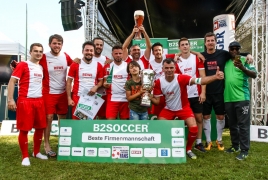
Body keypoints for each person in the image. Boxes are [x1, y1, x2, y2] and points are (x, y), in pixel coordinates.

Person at [150, 58, 224, 159]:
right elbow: (157, 102)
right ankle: (166, 148)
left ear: (175, 68)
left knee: (193, 128)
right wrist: (149, 96)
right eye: (166, 68)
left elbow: (200, 80)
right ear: (162, 69)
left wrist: (215, 77)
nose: (169, 70)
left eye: (171, 67)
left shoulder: (181, 78)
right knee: (160, 127)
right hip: (168, 109)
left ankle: (188, 149)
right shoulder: (158, 82)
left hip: (183, 108)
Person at [7, 43, 48, 166]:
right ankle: (25, 156)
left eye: (40, 51)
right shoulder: (23, 65)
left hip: (39, 100)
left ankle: (36, 152)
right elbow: (12, 81)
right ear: (30, 52)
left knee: (40, 127)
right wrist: (10, 99)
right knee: (24, 129)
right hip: (26, 100)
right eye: (35, 51)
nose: (38, 53)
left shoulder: (41, 67)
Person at [224, 41, 256, 160]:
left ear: (239, 50)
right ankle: (235, 146)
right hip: (228, 98)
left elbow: (254, 74)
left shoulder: (245, 61)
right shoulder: (226, 62)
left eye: (237, 49)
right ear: (229, 50)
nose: (234, 51)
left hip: (242, 98)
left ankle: (244, 150)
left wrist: (242, 67)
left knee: (243, 125)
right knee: (232, 125)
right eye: (232, 48)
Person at [175, 37, 206, 152]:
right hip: (183, 96)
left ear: (189, 46)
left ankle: (198, 142)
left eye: (186, 44)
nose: (184, 46)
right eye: (182, 45)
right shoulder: (176, 60)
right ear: (179, 47)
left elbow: (203, 77)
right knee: (182, 120)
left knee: (199, 117)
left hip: (196, 93)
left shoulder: (197, 58)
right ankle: (179, 143)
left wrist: (203, 92)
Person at [66, 41, 104, 119]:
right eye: (87, 50)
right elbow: (69, 82)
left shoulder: (98, 65)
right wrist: (69, 99)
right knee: (77, 124)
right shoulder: (75, 64)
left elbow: (101, 81)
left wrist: (96, 87)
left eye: (91, 50)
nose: (89, 52)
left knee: (88, 126)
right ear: (82, 51)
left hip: (91, 98)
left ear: (94, 52)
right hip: (78, 98)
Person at [103, 45, 129, 120]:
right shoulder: (107, 66)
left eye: (120, 53)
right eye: (116, 53)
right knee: (110, 123)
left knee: (125, 125)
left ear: (123, 54)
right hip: (112, 99)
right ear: (112, 54)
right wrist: (105, 85)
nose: (118, 55)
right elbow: (105, 82)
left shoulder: (128, 65)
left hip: (125, 99)